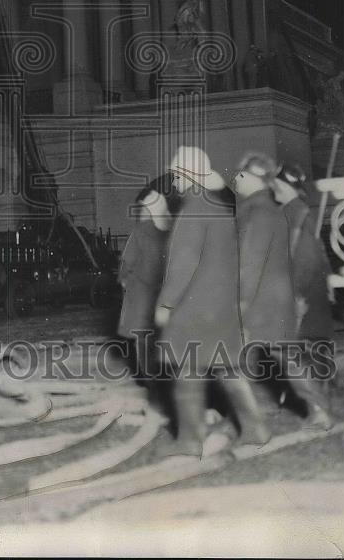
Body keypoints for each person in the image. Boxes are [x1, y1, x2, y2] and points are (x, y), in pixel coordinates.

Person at [155, 146, 269, 456]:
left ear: (191, 178)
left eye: (178, 176)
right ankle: (255, 427)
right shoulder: (219, 208)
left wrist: (166, 304)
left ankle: (190, 441)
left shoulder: (192, 210)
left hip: (194, 309)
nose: (175, 182)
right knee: (228, 370)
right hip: (221, 306)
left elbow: (183, 263)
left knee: (187, 376)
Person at [233, 154, 332, 429]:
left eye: (241, 174)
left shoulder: (259, 212)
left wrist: (241, 299)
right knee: (281, 355)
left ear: (255, 178)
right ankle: (315, 407)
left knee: (276, 355)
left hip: (262, 297)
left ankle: (220, 412)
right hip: (272, 295)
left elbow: (251, 260)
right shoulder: (268, 209)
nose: (235, 178)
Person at [117, 176, 177, 379]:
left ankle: (148, 377)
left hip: (141, 296)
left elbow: (127, 263)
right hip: (166, 295)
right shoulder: (175, 231)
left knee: (143, 337)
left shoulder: (140, 232)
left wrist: (124, 279)